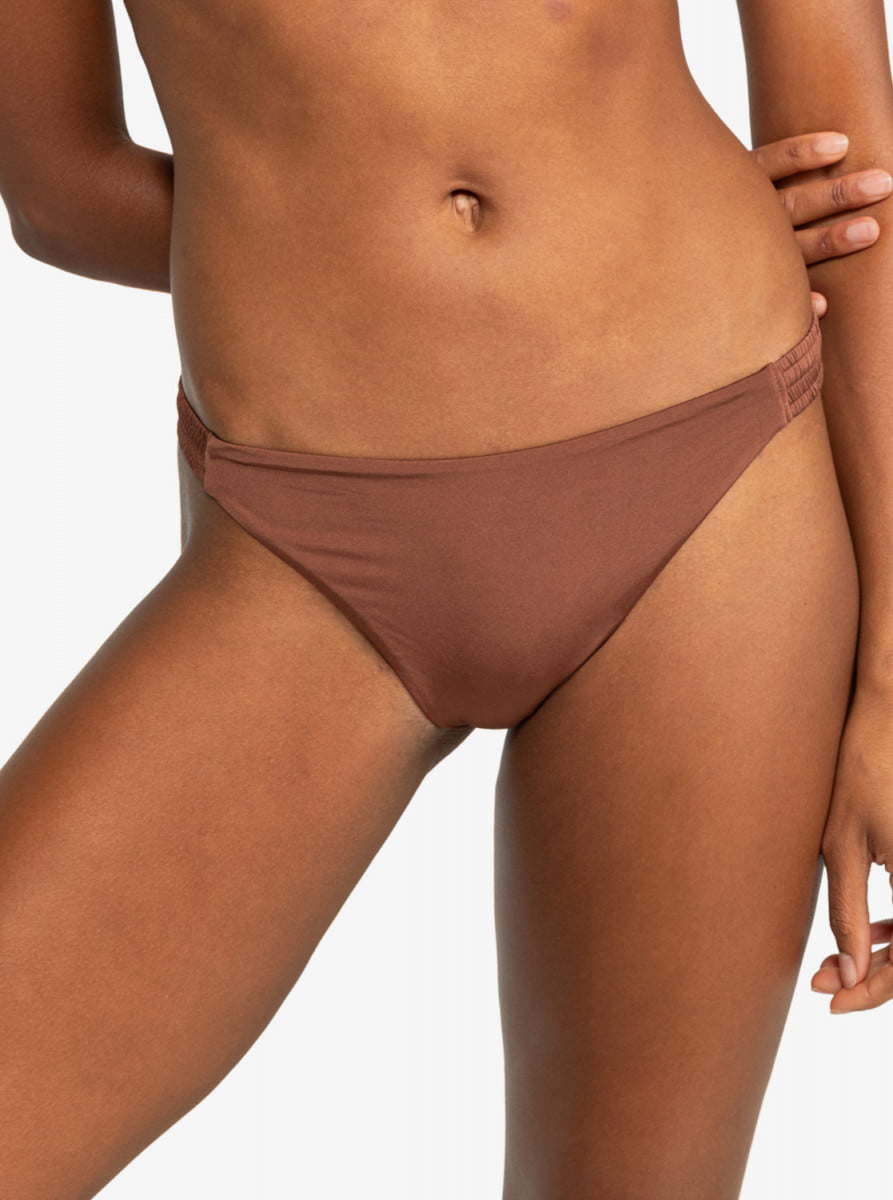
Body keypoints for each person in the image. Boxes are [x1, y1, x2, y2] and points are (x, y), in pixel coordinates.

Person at [0, 1, 891, 1196]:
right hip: (304, 538)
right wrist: (342, 235)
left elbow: (852, 163)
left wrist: (890, 677)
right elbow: (58, 186)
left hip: (716, 482)